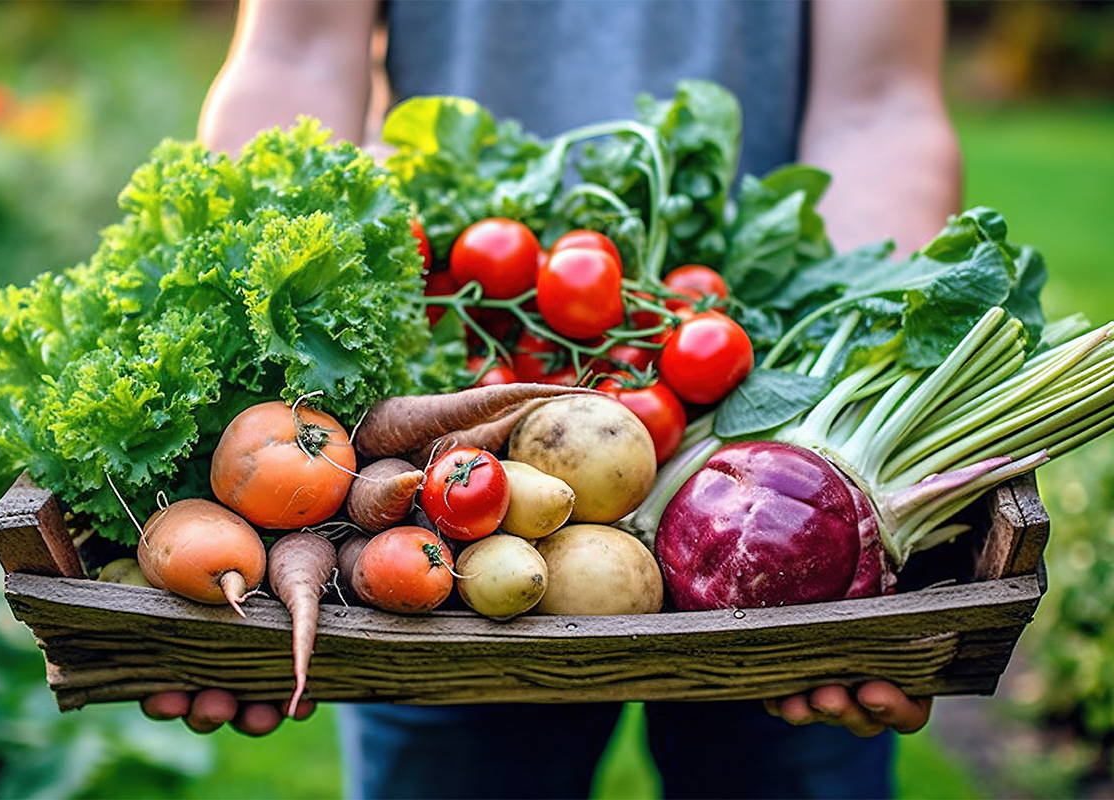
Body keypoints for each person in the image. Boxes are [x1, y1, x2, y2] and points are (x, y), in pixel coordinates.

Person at [144, 0, 958, 797]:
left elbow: (878, 100)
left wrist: (843, 498)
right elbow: (296, 55)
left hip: (761, 462)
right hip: (447, 405)